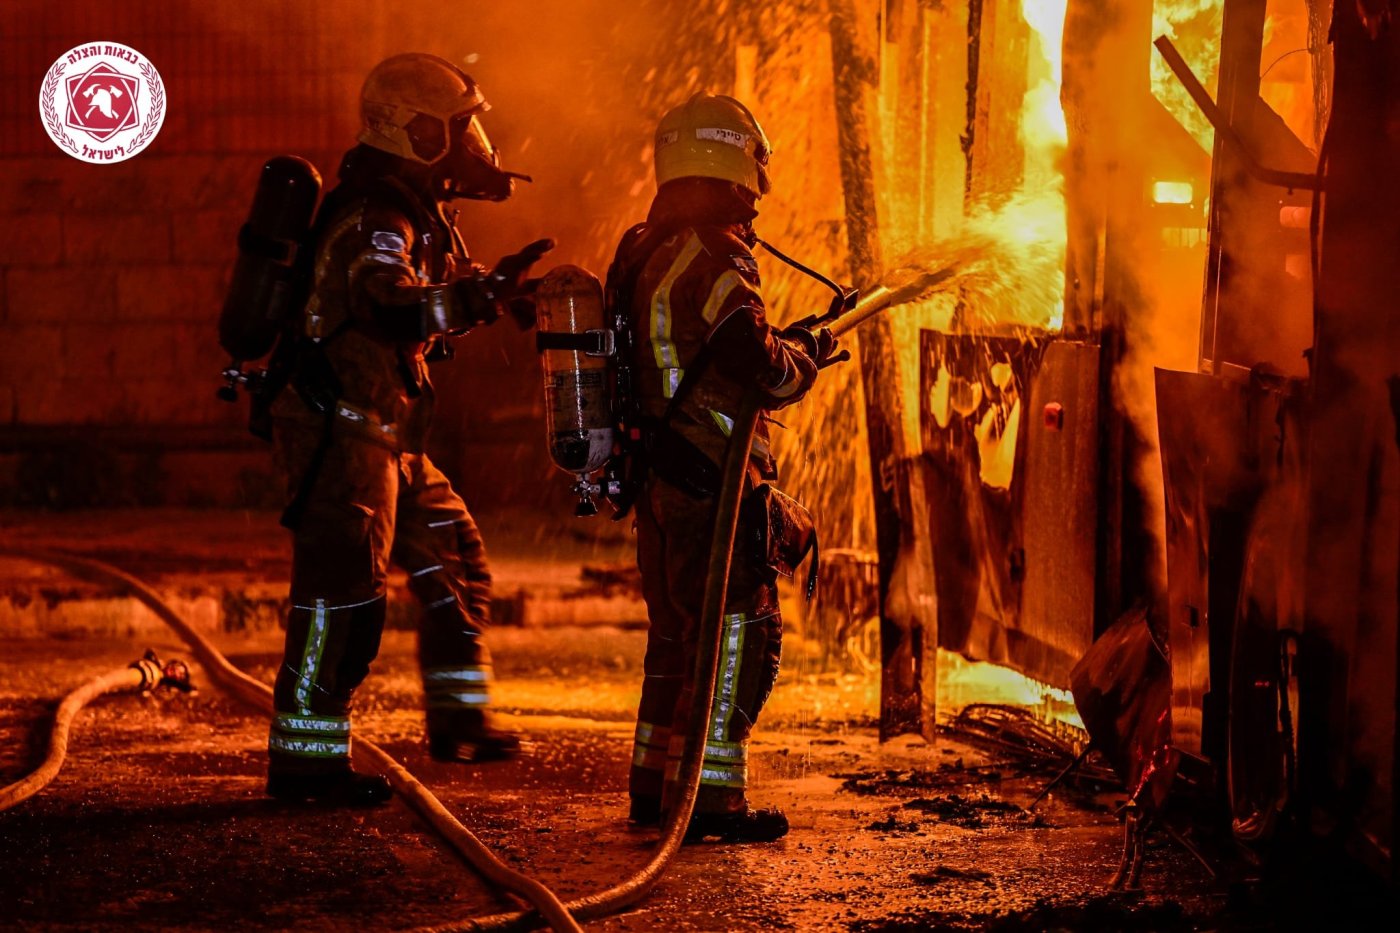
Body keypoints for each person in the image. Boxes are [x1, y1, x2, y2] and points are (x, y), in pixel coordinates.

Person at [264, 53, 553, 805]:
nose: (474, 143)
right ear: (417, 131)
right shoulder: (374, 218)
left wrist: (490, 290)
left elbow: (427, 294)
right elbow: (388, 305)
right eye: (459, 129)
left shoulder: (410, 214)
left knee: (454, 557)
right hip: (342, 435)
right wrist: (477, 298)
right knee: (343, 597)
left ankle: (460, 721)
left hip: (387, 433)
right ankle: (305, 760)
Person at [609, 93, 841, 842]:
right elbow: (762, 369)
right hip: (714, 478)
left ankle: (655, 784)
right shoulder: (716, 255)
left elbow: (712, 348)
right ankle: (712, 799)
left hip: (661, 477)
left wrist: (789, 341)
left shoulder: (647, 245)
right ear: (735, 164)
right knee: (741, 630)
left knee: (677, 635)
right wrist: (806, 357)